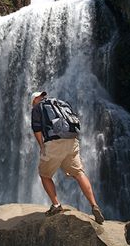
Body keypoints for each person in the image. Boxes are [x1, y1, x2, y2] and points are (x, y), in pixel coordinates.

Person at [31, 91, 104, 224]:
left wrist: (42, 146)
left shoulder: (37, 107)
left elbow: (37, 130)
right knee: (78, 173)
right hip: (71, 140)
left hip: (54, 142)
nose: (33, 104)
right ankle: (94, 205)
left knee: (44, 175)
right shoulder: (61, 103)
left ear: (35, 99)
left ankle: (56, 206)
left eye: (33, 101)